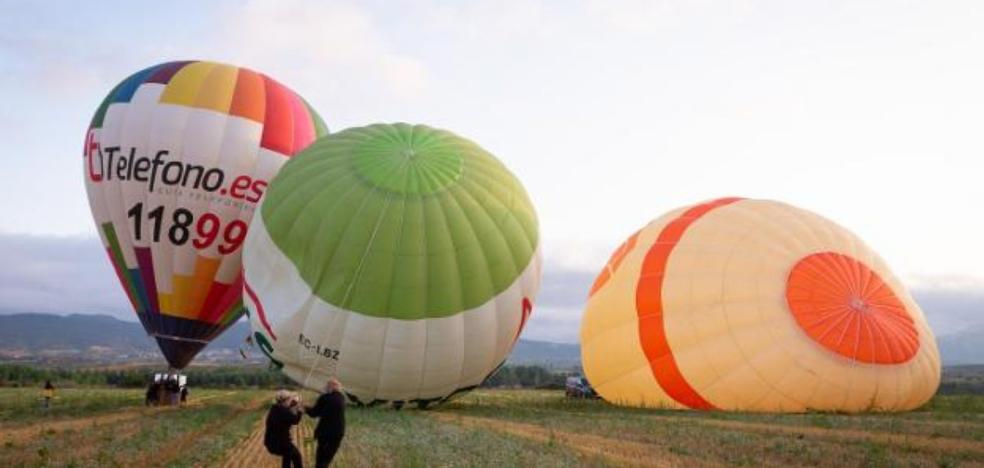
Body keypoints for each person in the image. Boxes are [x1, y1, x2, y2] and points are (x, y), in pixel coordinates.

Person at [305, 378, 346, 468]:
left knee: (321, 457)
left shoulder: (324, 398)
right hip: (338, 433)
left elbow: (314, 413)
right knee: (327, 458)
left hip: (324, 432)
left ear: (328, 387)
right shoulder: (342, 398)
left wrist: (305, 407)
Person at [265, 390, 303, 468]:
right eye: (289, 399)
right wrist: (299, 411)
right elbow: (295, 420)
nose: (290, 401)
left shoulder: (275, 408)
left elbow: (286, 409)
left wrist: (294, 403)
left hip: (270, 443)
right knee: (296, 456)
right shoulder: (283, 411)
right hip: (281, 444)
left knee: (289, 455)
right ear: (285, 400)